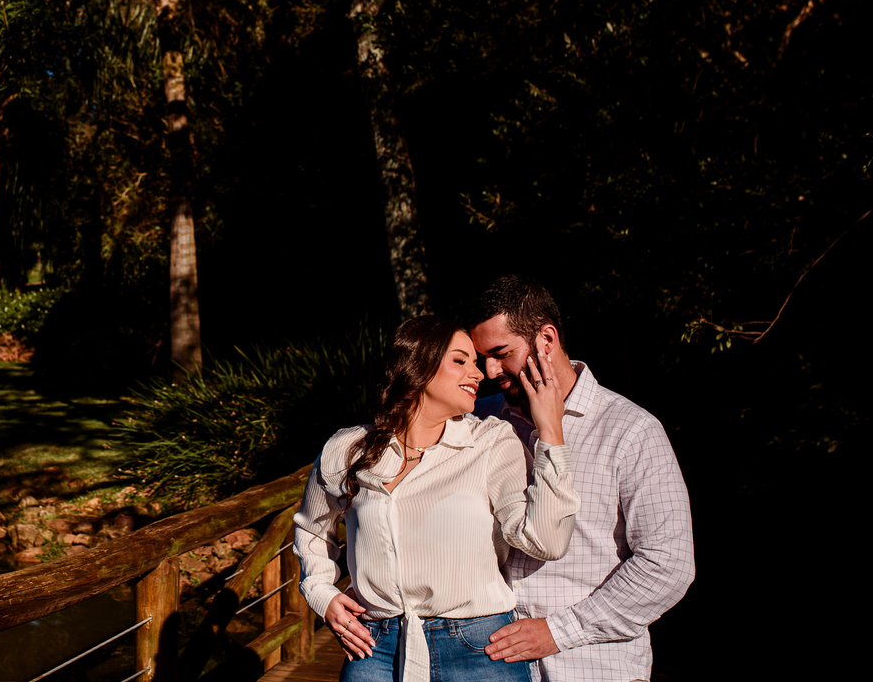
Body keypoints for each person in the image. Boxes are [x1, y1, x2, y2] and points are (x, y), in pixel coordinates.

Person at [293, 315, 580, 682]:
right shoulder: (346, 448)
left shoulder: (492, 442)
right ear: (418, 365)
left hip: (479, 649)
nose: (479, 374)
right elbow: (311, 530)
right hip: (372, 646)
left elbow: (547, 541)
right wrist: (321, 593)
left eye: (475, 364)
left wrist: (551, 432)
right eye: (461, 361)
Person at [469, 275, 695, 682]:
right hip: (488, 666)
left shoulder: (631, 430)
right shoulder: (476, 420)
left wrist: (559, 631)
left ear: (547, 339)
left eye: (501, 353)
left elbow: (668, 563)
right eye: (482, 356)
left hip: (593, 667)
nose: (489, 370)